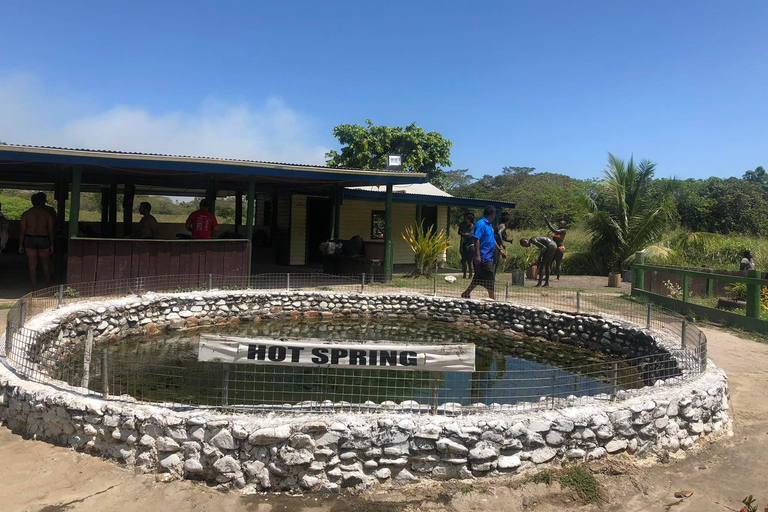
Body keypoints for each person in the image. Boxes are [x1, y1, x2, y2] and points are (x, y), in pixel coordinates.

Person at [461, 205, 507, 300]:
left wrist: (500, 251)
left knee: (478, 277)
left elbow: (492, 239)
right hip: (483, 256)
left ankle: (466, 293)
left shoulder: (489, 225)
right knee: (490, 277)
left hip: (489, 256)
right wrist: (478, 255)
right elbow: (476, 239)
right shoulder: (481, 224)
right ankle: (492, 298)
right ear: (492, 214)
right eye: (494, 214)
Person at [19, 193, 54, 289]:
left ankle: (34, 288)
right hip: (43, 238)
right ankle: (48, 287)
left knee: (32, 264)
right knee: (45, 264)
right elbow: (50, 231)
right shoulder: (47, 215)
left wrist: (20, 244)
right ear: (42, 202)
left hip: (30, 238)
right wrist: (51, 244)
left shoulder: (26, 214)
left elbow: (22, 230)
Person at [544, 216, 567, 280]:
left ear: (564, 226)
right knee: (549, 263)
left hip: (559, 249)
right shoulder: (557, 230)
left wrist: (547, 222)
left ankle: (558, 277)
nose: (560, 224)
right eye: (559, 223)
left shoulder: (563, 230)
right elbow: (553, 229)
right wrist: (548, 222)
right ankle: (547, 277)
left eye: (561, 224)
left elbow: (554, 230)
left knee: (558, 263)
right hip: (554, 249)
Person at [458, 213, 476, 279]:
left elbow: (469, 235)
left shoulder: (473, 227)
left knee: (469, 261)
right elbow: (460, 232)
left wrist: (463, 234)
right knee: (463, 260)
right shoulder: (465, 225)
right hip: (465, 244)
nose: (466, 220)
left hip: (471, 245)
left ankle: (470, 275)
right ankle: (464, 274)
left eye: (467, 219)